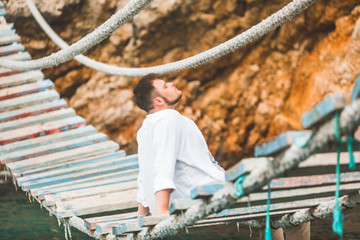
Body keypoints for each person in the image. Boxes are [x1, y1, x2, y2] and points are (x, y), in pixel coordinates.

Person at [133, 73, 226, 216]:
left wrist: (141, 216)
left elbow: (145, 174)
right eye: (165, 86)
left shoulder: (145, 129)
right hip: (202, 198)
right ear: (158, 100)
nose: (171, 84)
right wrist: (163, 211)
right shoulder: (168, 118)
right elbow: (163, 165)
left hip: (196, 196)